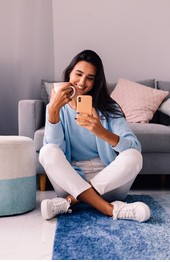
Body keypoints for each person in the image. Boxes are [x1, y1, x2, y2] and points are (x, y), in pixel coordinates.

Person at [39, 49, 151, 222]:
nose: (82, 82)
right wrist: (53, 112)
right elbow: (56, 151)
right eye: (79, 74)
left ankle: (68, 202)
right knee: (47, 151)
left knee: (134, 156)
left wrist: (101, 131)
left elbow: (134, 146)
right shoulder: (55, 108)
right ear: (69, 74)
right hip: (71, 179)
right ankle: (110, 209)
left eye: (90, 78)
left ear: (95, 82)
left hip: (108, 182)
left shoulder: (109, 107)